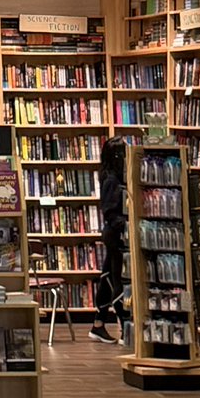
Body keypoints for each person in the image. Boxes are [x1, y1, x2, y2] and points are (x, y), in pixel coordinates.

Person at [90, 137, 129, 343]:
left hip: (115, 232)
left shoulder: (112, 176)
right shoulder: (112, 179)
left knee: (107, 276)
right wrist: (123, 225)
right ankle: (125, 325)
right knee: (118, 280)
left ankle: (98, 323)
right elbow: (110, 210)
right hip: (116, 234)